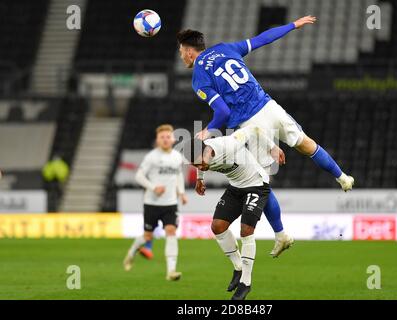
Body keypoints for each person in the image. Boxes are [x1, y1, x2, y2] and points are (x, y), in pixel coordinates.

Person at [176, 16, 355, 257]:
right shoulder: (225, 48)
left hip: (251, 122)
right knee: (306, 144)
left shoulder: (199, 75)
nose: (180, 56)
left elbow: (223, 112)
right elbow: (262, 39)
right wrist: (293, 25)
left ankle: (282, 235)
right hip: (269, 106)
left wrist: (208, 130)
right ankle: (343, 177)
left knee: (260, 184)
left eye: (180, 51)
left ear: (189, 52)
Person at [182, 125, 285, 300]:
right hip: (236, 187)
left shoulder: (228, 144)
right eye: (195, 165)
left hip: (256, 184)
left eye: (200, 163)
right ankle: (238, 268)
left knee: (246, 230)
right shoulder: (201, 155)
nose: (200, 166)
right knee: (217, 226)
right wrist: (200, 178)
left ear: (207, 150)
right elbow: (200, 161)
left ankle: (245, 283)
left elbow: (253, 130)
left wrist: (273, 147)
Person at [123, 124, 188, 281]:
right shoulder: (151, 157)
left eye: (168, 137)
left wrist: (182, 193)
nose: (165, 139)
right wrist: (153, 187)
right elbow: (138, 176)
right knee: (147, 236)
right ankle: (131, 253)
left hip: (170, 204)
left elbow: (178, 176)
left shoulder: (177, 157)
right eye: (162, 137)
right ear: (158, 140)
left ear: (173, 139)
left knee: (171, 231)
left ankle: (171, 271)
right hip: (152, 203)